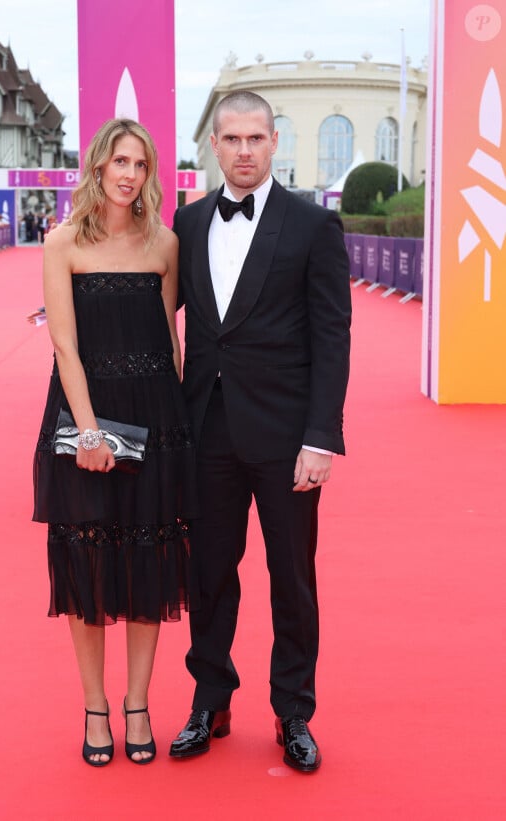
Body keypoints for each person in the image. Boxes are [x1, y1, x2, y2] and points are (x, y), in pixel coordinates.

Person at [169, 91, 351, 772]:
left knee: (291, 576)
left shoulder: (311, 226)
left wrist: (321, 437)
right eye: (232, 139)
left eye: (256, 138)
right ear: (214, 146)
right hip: (206, 430)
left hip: (285, 438)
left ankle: (293, 710)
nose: (244, 151)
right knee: (209, 572)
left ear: (275, 142)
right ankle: (209, 698)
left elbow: (333, 337)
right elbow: (154, 313)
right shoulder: (186, 225)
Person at [32, 118, 196, 768]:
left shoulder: (165, 244)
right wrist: (91, 430)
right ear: (98, 166)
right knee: (89, 560)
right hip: (85, 418)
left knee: (150, 559)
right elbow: (64, 344)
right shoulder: (63, 242)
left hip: (156, 417)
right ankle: (95, 705)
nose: (129, 174)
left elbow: (170, 342)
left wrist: (181, 422)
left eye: (141, 164)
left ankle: (139, 703)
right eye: (119, 161)